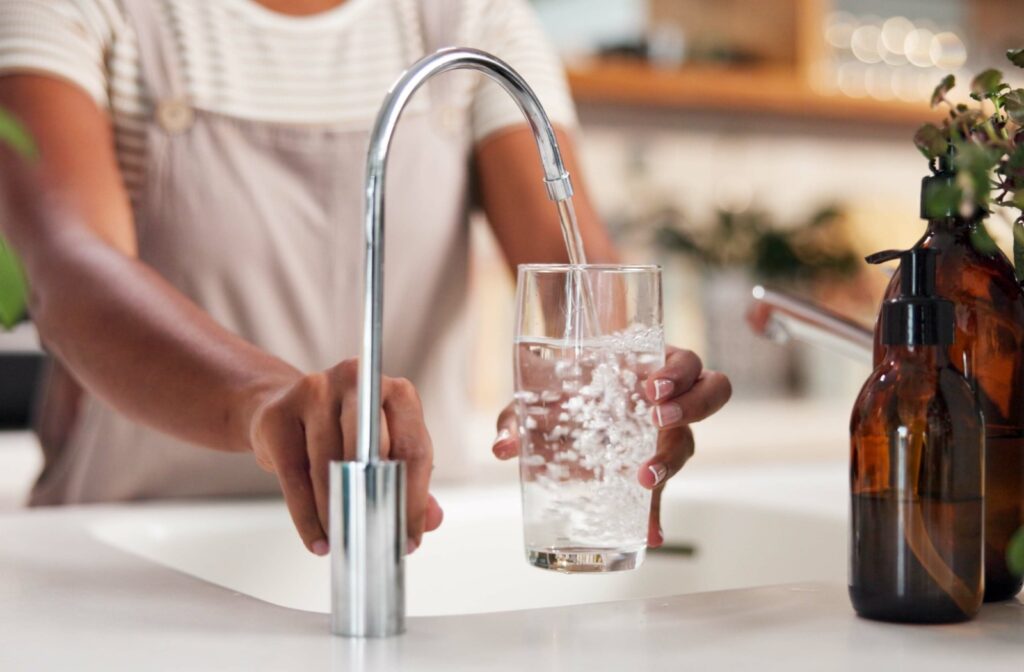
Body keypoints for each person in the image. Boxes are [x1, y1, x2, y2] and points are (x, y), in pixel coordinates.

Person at [0, 0, 731, 556]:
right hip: (130, 548)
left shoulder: (469, 17)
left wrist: (624, 393)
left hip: (410, 542)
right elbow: (70, 269)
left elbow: (578, 275)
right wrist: (270, 406)